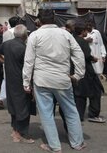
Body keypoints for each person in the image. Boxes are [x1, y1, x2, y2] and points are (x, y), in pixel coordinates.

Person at [22, 9, 86, 152]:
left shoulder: (35, 35)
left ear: (39, 21)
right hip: (62, 80)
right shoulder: (65, 34)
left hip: (42, 81)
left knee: (46, 113)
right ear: (55, 19)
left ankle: (54, 146)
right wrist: (78, 75)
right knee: (71, 111)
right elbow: (79, 55)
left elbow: (28, 61)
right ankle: (77, 143)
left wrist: (26, 82)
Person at [0, 24, 34, 144]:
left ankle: (14, 130)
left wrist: (4, 61)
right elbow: (29, 67)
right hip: (21, 81)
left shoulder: (7, 44)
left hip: (10, 80)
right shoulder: (24, 48)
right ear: (25, 35)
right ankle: (20, 134)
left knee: (13, 106)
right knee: (23, 108)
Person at [73, 23, 105, 123]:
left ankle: (79, 116)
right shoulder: (82, 41)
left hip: (76, 70)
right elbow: (86, 55)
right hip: (86, 70)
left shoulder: (72, 40)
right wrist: (93, 58)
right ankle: (93, 114)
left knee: (80, 94)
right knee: (96, 91)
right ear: (82, 31)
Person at [0, 16, 21, 109]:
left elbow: (4, 46)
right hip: (17, 59)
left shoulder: (6, 33)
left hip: (7, 58)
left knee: (6, 78)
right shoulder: (19, 32)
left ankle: (1, 98)